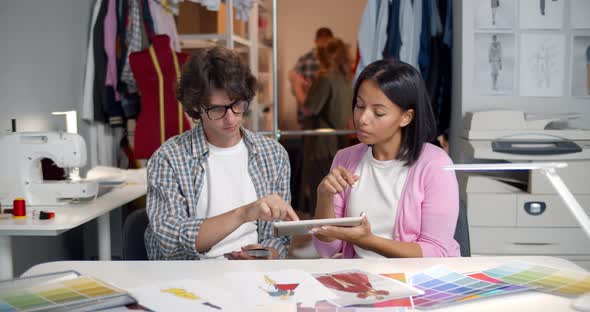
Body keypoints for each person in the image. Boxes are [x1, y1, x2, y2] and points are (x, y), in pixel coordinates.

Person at [144, 46, 299, 261]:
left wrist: (266, 256)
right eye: (217, 109)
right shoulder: (169, 158)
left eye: (237, 105)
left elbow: (278, 235)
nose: (231, 118)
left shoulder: (272, 154)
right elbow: (170, 239)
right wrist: (243, 214)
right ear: (196, 106)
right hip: (190, 279)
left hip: (252, 275)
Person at [311, 59, 460, 258]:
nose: (363, 119)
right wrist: (324, 197)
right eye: (360, 106)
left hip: (416, 282)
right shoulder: (345, 158)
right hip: (360, 280)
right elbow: (327, 250)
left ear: (406, 117)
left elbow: (436, 251)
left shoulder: (435, 165)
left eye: (378, 112)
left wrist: (369, 241)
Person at [298, 37, 353, 217]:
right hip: (340, 141)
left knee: (319, 189)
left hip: (321, 143)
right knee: (336, 192)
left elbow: (308, 109)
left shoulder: (325, 78)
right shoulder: (347, 79)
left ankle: (318, 236)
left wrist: (299, 87)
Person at [289, 27, 334, 114]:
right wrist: (305, 91)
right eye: (322, 42)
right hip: (308, 113)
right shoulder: (305, 59)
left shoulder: (335, 62)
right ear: (316, 42)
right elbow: (293, 82)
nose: (324, 46)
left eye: (327, 43)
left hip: (327, 115)